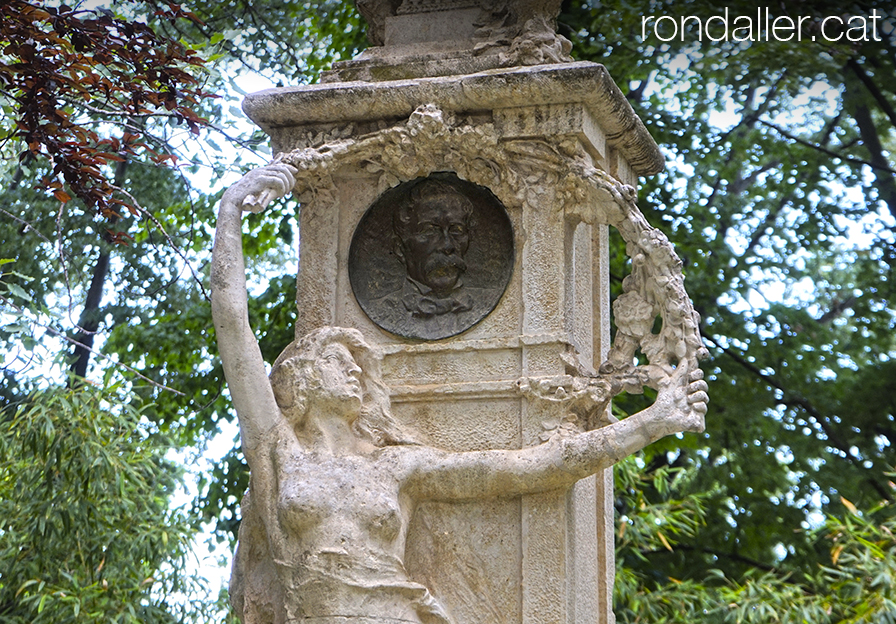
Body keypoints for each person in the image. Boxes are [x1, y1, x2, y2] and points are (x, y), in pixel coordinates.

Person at [212, 164, 709, 624]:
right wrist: (230, 212)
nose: (354, 375)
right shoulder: (277, 450)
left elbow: (524, 469)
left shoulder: (395, 465)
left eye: (358, 367)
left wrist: (652, 422)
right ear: (299, 380)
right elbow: (234, 327)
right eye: (337, 363)